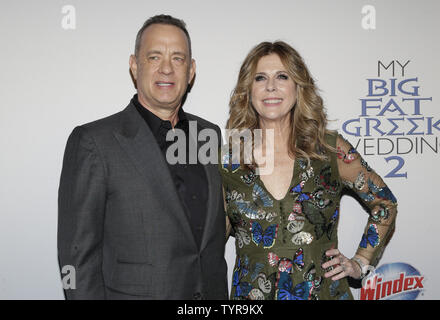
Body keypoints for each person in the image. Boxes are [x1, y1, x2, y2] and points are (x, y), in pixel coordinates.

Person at [58, 14, 228, 300]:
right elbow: (76, 258)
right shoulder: (93, 142)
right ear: (134, 66)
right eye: (154, 57)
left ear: (191, 70)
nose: (166, 69)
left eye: (178, 58)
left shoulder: (208, 135)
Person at [220, 41, 397, 300]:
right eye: (260, 78)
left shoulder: (329, 149)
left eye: (282, 76)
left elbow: (385, 203)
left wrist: (360, 262)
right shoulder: (228, 161)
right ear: (248, 89)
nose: (271, 86)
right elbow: (209, 242)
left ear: (298, 87)